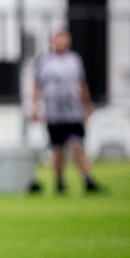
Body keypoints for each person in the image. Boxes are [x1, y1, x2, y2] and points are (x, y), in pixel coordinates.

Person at [32, 27, 103, 194]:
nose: (61, 42)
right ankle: (60, 182)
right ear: (52, 41)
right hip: (53, 113)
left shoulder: (74, 60)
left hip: (73, 113)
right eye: (58, 38)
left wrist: (87, 105)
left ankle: (88, 180)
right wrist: (35, 107)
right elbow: (37, 86)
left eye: (64, 38)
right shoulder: (45, 62)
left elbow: (82, 84)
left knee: (78, 145)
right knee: (58, 149)